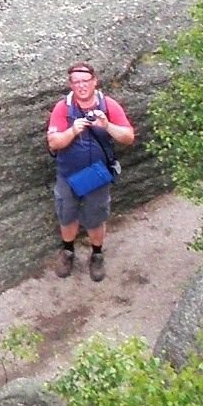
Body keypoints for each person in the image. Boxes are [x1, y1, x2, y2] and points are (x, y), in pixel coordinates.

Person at [45, 62, 135, 283]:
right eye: (76, 82)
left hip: (96, 175)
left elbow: (128, 137)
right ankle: (68, 251)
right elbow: (54, 143)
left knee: (95, 218)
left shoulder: (109, 105)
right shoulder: (63, 108)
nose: (81, 86)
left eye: (85, 81)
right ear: (70, 84)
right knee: (67, 215)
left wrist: (107, 126)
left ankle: (97, 254)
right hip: (68, 174)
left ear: (95, 81)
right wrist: (73, 131)